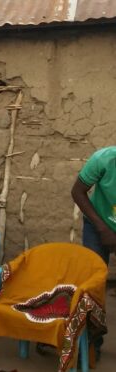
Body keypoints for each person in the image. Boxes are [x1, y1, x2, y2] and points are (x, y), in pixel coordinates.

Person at [72, 146, 116, 358]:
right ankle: (92, 343)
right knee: (93, 284)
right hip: (97, 224)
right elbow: (77, 191)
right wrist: (102, 228)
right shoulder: (103, 159)